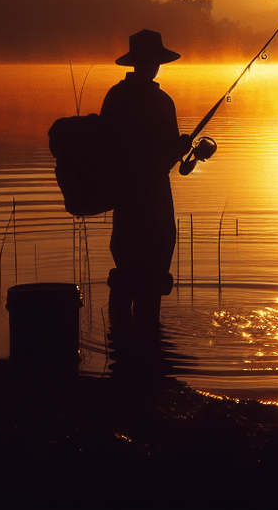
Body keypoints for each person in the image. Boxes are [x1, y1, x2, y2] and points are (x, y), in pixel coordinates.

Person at [101, 29, 191, 337]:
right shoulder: (162, 102)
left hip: (124, 202)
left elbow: (108, 148)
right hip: (154, 204)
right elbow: (164, 161)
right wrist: (180, 150)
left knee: (125, 274)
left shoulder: (114, 96)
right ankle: (149, 350)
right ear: (153, 63)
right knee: (152, 279)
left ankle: (118, 345)